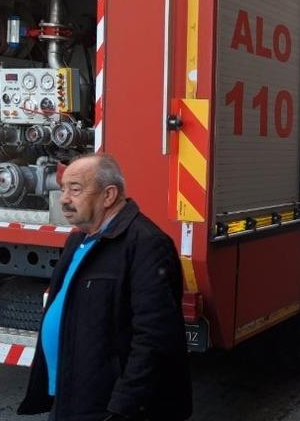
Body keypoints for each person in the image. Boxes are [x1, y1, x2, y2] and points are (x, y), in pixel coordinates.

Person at [19, 154, 192, 421]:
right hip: (71, 397)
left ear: (109, 195)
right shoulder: (78, 240)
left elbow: (155, 338)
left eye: (75, 190)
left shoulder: (146, 244)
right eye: (63, 189)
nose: (64, 199)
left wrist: (123, 406)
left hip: (108, 408)